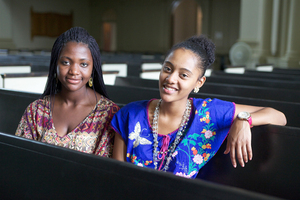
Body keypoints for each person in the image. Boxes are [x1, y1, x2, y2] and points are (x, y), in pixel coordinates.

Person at [111, 35, 286, 178]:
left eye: (184, 75)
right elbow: (117, 176)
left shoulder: (209, 113)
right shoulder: (130, 114)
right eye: (168, 69)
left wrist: (245, 119)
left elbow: (278, 116)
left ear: (199, 82)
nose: (171, 79)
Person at [15, 27, 119, 157]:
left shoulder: (109, 114)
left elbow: (107, 171)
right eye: (66, 62)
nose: (74, 71)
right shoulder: (36, 110)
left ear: (93, 68)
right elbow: (20, 158)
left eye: (84, 64)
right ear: (55, 65)